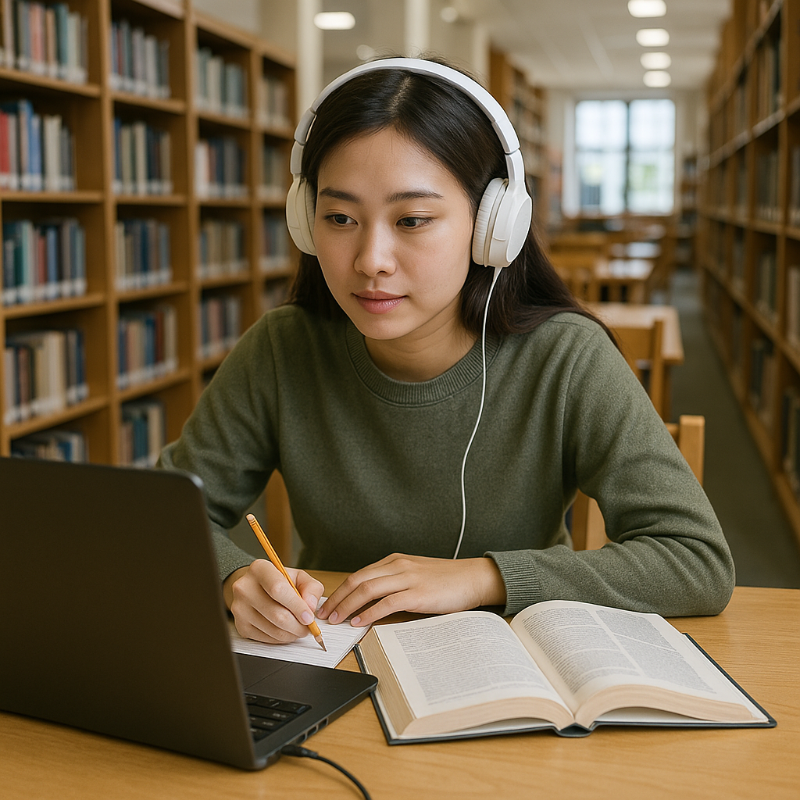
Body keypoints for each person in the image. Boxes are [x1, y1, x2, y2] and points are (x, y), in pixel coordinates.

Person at [158, 56, 734, 647]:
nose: (370, 259)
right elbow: (159, 517)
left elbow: (696, 562)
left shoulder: (565, 357)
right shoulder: (282, 350)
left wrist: (485, 577)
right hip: (333, 663)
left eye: (412, 219)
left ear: (491, 226)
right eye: (338, 217)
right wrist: (232, 579)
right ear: (305, 222)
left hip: (511, 676)